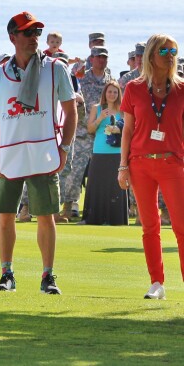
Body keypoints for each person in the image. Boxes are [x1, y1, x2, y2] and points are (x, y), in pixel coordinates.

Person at [0, 11, 77, 295]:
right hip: (9, 155)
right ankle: (6, 273)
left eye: (36, 33)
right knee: (5, 215)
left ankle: (48, 276)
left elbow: (71, 111)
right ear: (12, 37)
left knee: (46, 215)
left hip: (44, 152)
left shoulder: (55, 68)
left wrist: (65, 148)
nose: (34, 38)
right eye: (27, 33)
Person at [118, 34, 184, 300]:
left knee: (181, 226)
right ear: (151, 54)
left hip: (172, 163)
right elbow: (128, 131)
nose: (170, 55)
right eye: (164, 51)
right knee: (149, 227)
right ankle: (157, 283)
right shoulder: (133, 88)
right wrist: (123, 166)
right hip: (140, 165)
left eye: (173, 50)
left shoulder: (181, 89)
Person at [60, 45, 112, 221]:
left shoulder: (110, 79)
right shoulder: (82, 77)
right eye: (98, 57)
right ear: (92, 58)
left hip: (103, 133)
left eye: (104, 57)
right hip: (82, 132)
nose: (102, 60)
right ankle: (69, 206)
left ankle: (103, 207)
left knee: (103, 172)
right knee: (75, 171)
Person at [83, 80, 128, 225]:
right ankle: (94, 218)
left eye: (115, 92)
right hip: (99, 150)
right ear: (105, 93)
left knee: (115, 185)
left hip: (117, 152)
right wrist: (100, 118)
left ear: (118, 94)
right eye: (109, 91)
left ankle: (115, 219)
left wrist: (118, 129)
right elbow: (90, 129)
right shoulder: (96, 108)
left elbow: (129, 129)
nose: (112, 94)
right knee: (97, 184)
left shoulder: (122, 109)